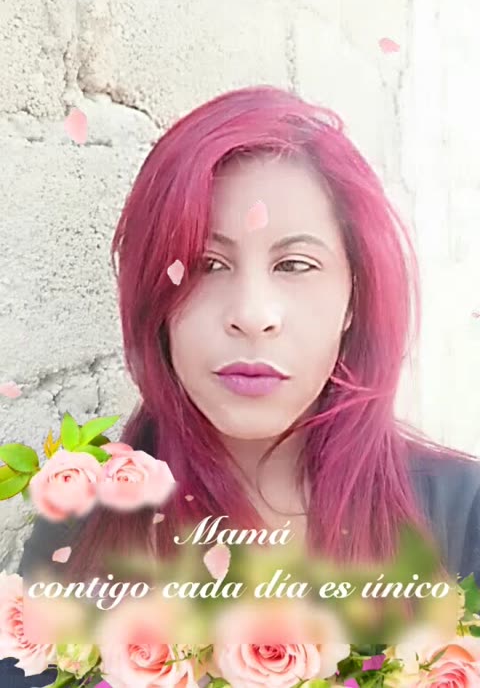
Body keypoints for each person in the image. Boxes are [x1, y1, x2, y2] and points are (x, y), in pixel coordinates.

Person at [2, 84, 480, 686]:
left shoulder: (462, 514)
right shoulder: (85, 521)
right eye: (207, 264)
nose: (252, 315)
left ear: (353, 297)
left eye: (295, 265)